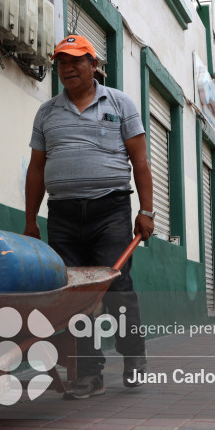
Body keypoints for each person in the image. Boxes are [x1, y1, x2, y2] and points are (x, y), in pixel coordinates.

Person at [24, 34, 154, 400]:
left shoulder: (121, 104)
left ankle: (133, 358)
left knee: (116, 287)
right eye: (62, 62)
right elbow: (36, 169)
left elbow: (140, 162)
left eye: (76, 61)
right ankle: (89, 372)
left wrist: (146, 211)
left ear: (94, 65)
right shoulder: (47, 112)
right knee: (72, 296)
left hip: (110, 209)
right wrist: (31, 220)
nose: (68, 68)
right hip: (62, 215)